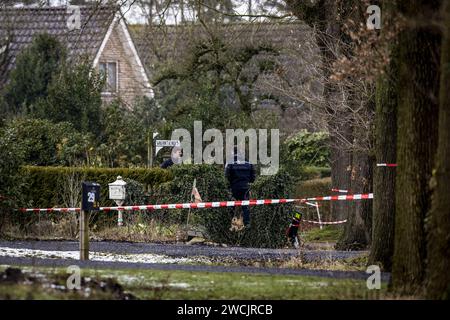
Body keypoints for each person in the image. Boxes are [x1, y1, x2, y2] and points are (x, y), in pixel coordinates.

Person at [225, 147, 256, 228]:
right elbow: (253, 177)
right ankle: (247, 223)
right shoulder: (249, 163)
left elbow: (227, 176)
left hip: (234, 187)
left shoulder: (230, 163)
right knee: (245, 205)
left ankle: (228, 222)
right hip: (246, 187)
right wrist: (249, 183)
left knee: (231, 204)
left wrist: (230, 184)